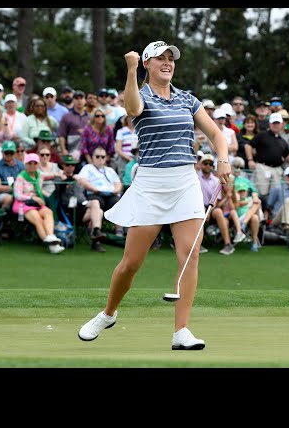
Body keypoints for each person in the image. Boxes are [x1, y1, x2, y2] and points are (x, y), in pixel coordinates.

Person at [78, 40, 231, 350]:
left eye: (170, 58)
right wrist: (131, 69)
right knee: (131, 263)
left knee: (188, 257)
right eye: (159, 58)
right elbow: (132, 108)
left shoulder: (187, 99)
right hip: (150, 184)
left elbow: (216, 133)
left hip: (184, 182)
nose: (167, 62)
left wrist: (223, 158)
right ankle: (108, 313)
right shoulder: (141, 95)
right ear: (147, 64)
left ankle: (181, 331)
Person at [12, 153, 65, 254]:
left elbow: (51, 175)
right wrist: (32, 198)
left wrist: (61, 174)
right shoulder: (21, 177)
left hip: (37, 203)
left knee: (48, 212)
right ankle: (52, 246)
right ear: (26, 164)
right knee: (37, 219)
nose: (32, 165)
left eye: (35, 163)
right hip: (24, 204)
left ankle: (50, 236)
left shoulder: (39, 175)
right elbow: (17, 195)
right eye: (30, 163)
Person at [57, 154, 107, 253]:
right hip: (69, 211)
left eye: (72, 165)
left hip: (82, 206)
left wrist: (80, 181)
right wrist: (67, 180)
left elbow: (86, 192)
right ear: (63, 166)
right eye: (67, 165)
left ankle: (96, 232)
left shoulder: (79, 178)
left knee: (97, 207)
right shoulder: (59, 178)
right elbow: (59, 191)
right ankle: (95, 240)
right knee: (99, 211)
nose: (70, 167)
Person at [0, 140, 24, 211]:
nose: (9, 155)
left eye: (11, 152)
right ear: (2, 152)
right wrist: (16, 188)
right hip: (0, 195)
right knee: (8, 198)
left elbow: (26, 181)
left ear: (14, 153)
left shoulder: (20, 165)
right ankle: (3, 219)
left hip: (19, 192)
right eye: (6, 152)